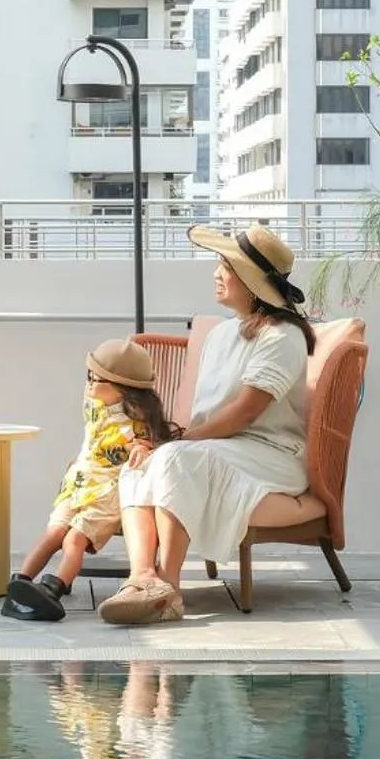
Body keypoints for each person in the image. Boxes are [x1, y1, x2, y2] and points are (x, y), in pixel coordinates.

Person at [100, 224, 315, 626]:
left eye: (225, 266)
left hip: (269, 455)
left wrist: (175, 444)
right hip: (219, 447)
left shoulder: (282, 337)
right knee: (137, 465)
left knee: (172, 459)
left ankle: (171, 588)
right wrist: (158, 443)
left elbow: (244, 414)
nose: (216, 273)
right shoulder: (221, 334)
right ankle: (142, 578)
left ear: (252, 284)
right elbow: (206, 419)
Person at [3, 338, 176, 623]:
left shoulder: (137, 423)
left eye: (97, 380)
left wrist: (142, 448)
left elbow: (149, 445)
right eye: (89, 377)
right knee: (54, 532)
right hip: (77, 483)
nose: (90, 385)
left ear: (123, 390)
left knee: (74, 539)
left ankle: (53, 588)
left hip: (107, 491)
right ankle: (20, 582)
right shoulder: (93, 404)